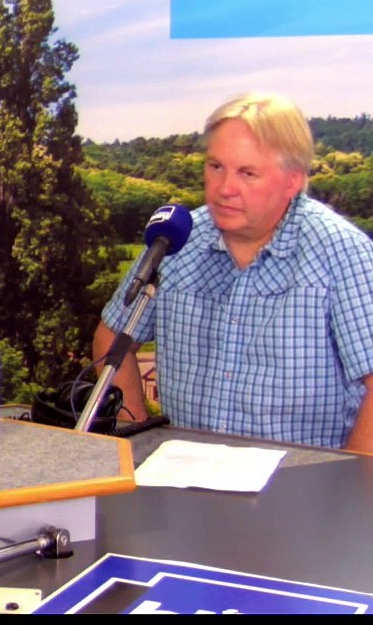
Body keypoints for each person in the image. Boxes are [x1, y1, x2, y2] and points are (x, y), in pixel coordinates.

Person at [94, 92, 373, 453]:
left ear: (292, 181)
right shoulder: (177, 240)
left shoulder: (340, 251)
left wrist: (350, 481)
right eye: (216, 167)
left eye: (247, 173)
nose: (225, 188)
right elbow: (112, 340)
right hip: (183, 475)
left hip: (300, 481)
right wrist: (136, 443)